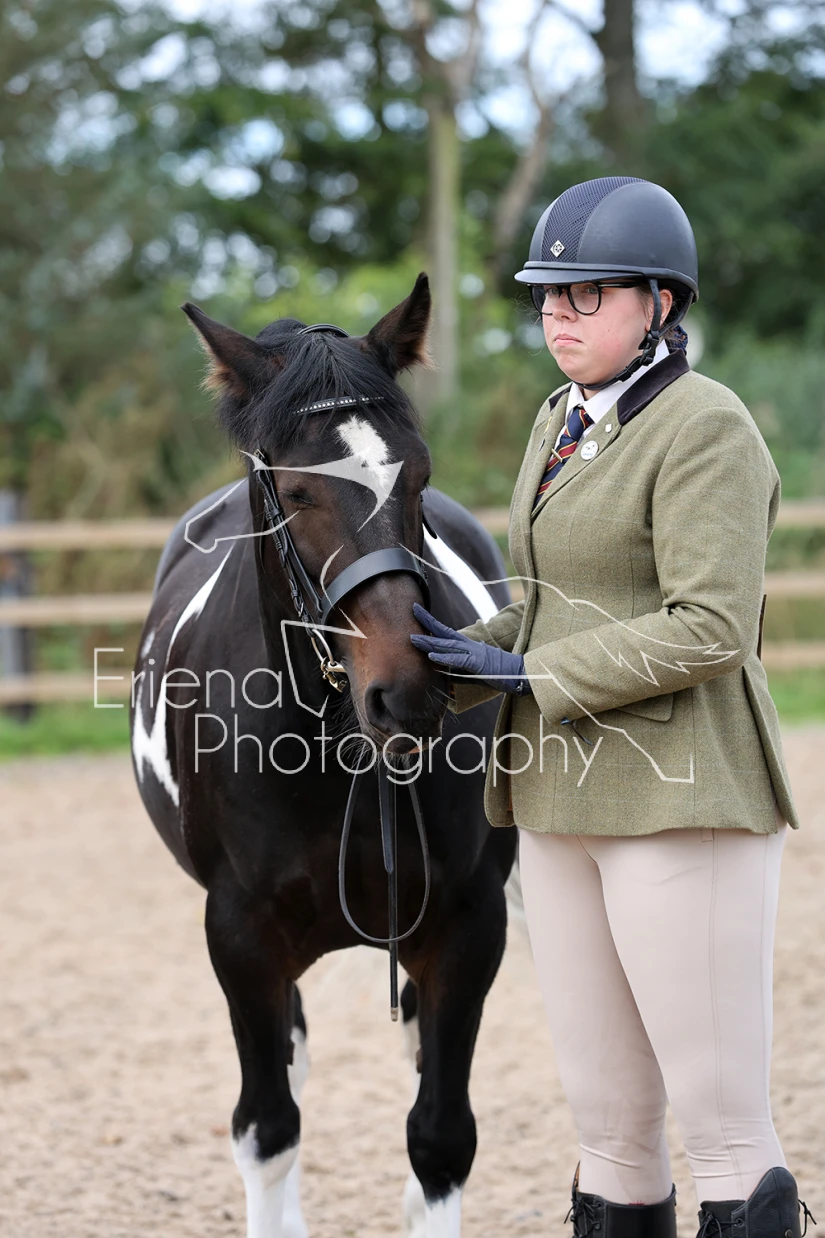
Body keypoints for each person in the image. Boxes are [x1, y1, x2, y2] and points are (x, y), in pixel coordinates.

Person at [408, 177, 815, 1238]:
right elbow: (547, 606)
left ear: (659, 304)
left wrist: (526, 676)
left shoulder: (707, 426)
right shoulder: (560, 420)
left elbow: (708, 626)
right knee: (610, 1130)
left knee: (721, 1130)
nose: (558, 313)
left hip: (683, 792)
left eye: (585, 294)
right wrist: (443, 660)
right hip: (558, 798)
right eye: (549, 294)